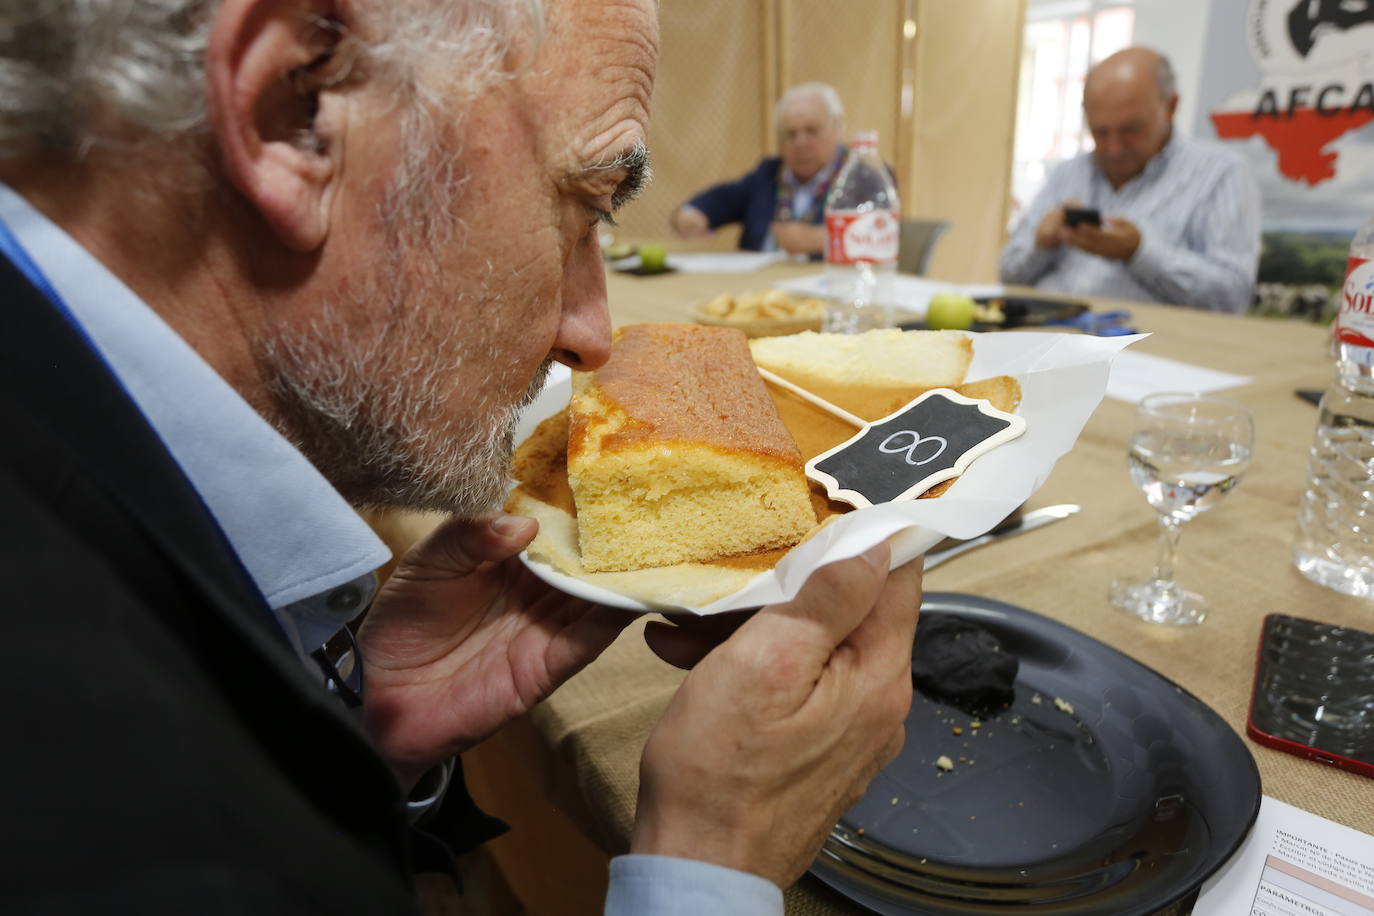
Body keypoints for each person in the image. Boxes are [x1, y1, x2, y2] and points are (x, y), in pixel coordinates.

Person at [0, 1, 923, 914]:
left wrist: (361, 737)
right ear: (299, 108)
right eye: (586, 202)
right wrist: (713, 867)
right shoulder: (87, 804)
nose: (592, 335)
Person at [999, 47, 1261, 314]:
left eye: (1131, 130)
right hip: (1046, 333)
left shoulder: (1220, 174)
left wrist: (1138, 253)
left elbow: (1232, 298)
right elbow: (1008, 274)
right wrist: (1042, 246)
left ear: (1170, 107)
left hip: (1145, 345)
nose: (1114, 148)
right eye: (1100, 132)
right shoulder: (1068, 173)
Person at [670, 82, 848, 257]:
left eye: (812, 131)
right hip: (757, 283)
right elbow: (723, 199)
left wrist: (824, 238)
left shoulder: (860, 177)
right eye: (790, 134)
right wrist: (690, 214)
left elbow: (872, 234)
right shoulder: (768, 174)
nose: (800, 143)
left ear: (837, 127)